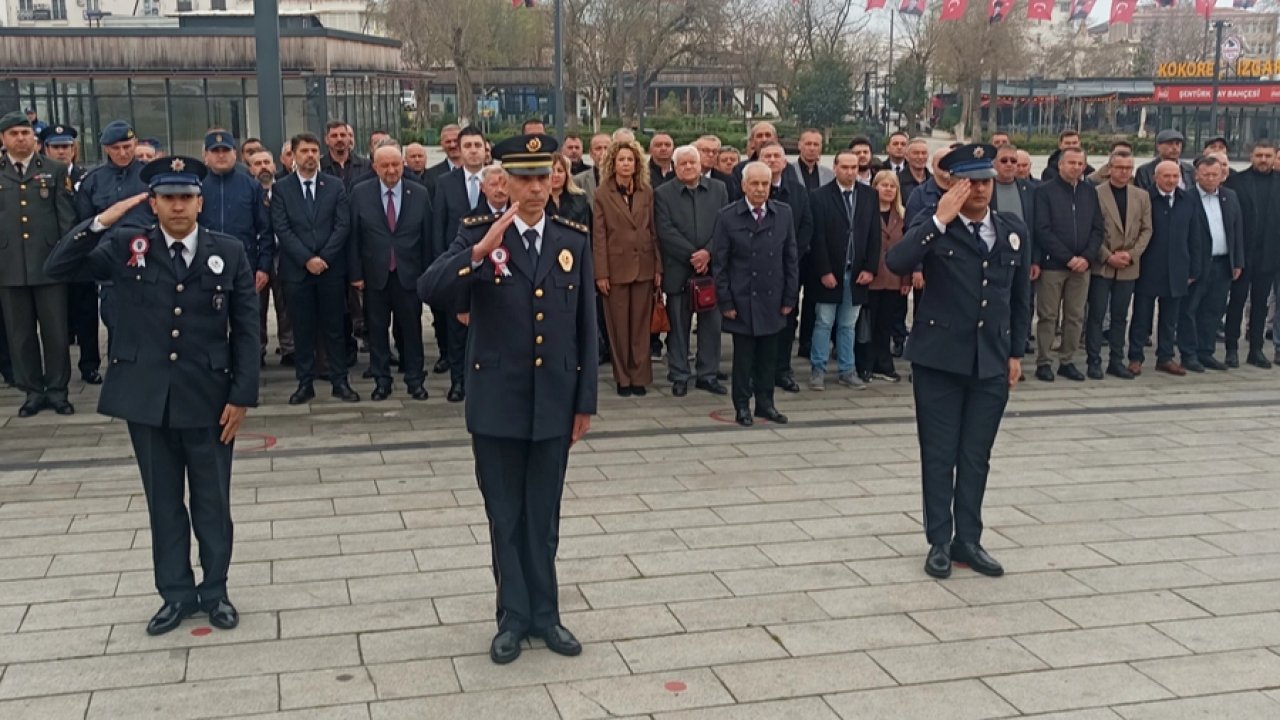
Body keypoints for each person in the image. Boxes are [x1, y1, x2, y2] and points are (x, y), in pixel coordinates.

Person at [45, 156, 259, 636]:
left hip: (209, 397)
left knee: (212, 502)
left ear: (200, 203)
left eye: (186, 197)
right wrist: (103, 220)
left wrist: (242, 395)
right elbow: (59, 266)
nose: (178, 206)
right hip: (148, 399)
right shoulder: (126, 246)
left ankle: (216, 589)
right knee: (163, 503)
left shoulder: (230, 250)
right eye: (168, 198)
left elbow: (245, 328)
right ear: (154, 203)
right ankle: (176, 594)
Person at [417, 132, 596, 666]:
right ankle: (512, 616)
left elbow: (587, 327)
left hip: (554, 402)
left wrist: (584, 400)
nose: (535, 188)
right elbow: (430, 288)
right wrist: (478, 251)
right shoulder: (476, 233)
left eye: (544, 177)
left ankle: (547, 613)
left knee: (544, 515)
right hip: (497, 401)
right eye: (524, 179)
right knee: (505, 515)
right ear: (504, 181)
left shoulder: (573, 238)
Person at [885, 144, 1031, 580]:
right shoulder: (935, 228)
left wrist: (1016, 353)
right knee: (939, 454)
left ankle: (968, 538)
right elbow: (897, 260)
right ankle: (939, 541)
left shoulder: (1011, 230)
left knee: (975, 455)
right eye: (972, 182)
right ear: (953, 183)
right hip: (940, 360)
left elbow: (1020, 299)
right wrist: (937, 218)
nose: (982, 190)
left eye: (986, 181)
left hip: (990, 361)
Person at [0, 110, 77, 417]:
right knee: (19, 334)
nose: (21, 138)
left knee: (56, 331)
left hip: (48, 265)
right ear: (3, 140)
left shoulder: (55, 170)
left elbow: (66, 219)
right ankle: (32, 390)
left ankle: (58, 391)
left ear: (34, 137)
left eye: (25, 132)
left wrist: (64, 259)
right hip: (8, 266)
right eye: (14, 133)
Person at [271, 132, 358, 404]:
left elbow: (342, 225)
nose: (310, 156)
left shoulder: (333, 186)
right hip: (297, 272)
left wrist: (324, 258)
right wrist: (307, 259)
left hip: (330, 270)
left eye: (313, 151)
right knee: (303, 329)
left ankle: (339, 381)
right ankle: (304, 383)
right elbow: (282, 228)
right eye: (304, 151)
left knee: (335, 327)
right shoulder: (282, 188)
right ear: (293, 156)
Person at [713, 162, 799, 426]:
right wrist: (725, 301)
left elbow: (791, 259)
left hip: (772, 299)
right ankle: (742, 406)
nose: (761, 189)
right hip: (742, 300)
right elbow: (720, 264)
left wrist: (789, 299)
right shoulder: (728, 216)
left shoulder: (783, 213)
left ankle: (766, 404)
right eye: (755, 184)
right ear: (744, 186)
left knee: (768, 357)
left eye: (765, 183)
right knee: (744, 358)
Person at [348, 144, 432, 401]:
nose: (391, 170)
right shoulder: (360, 193)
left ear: (403, 165)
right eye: (384, 165)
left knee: (412, 330)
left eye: (396, 164)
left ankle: (415, 379)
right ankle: (381, 380)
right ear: (374, 167)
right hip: (374, 275)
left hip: (410, 275)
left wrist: (428, 276)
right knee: (376, 330)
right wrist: (356, 274)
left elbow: (428, 237)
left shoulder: (418, 192)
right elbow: (354, 237)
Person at [654, 145, 729, 397]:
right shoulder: (663, 194)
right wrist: (692, 256)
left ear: (700, 165)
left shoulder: (719, 190)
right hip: (679, 270)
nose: (688, 167)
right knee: (678, 326)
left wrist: (708, 252)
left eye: (692, 163)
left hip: (710, 270)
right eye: (683, 163)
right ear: (675, 167)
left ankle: (707, 374)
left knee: (711, 325)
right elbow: (665, 230)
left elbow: (724, 225)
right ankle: (679, 374)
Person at [76, 120, 154, 356]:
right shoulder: (93, 181)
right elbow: (85, 224)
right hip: (112, 269)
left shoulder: (150, 176)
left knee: (153, 327)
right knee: (117, 327)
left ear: (135, 143)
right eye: (116, 148)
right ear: (106, 149)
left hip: (151, 264)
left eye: (127, 146)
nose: (123, 152)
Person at [198, 130, 273, 364]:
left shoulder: (251, 187)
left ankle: (247, 368)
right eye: (215, 151)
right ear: (206, 156)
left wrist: (264, 267)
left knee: (245, 323)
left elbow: (266, 230)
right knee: (208, 323)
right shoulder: (197, 186)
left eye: (226, 151)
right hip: (204, 267)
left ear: (235, 155)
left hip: (244, 267)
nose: (221, 156)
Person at [593, 137, 660, 396]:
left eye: (630, 160)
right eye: (621, 159)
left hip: (643, 265)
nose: (625, 164)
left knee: (640, 327)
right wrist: (601, 273)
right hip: (616, 269)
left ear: (636, 164)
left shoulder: (646, 191)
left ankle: (639, 376)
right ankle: (623, 378)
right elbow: (598, 236)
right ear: (612, 163)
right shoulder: (602, 194)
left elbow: (653, 231)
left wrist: (658, 268)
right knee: (619, 327)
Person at [807, 149, 879, 390]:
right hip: (830, 271)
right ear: (835, 168)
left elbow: (873, 235)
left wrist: (870, 268)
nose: (850, 172)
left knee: (849, 324)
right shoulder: (819, 196)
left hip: (857, 271)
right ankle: (818, 368)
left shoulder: (869, 195)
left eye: (854, 168)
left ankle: (847, 369)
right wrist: (824, 271)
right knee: (824, 321)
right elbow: (817, 238)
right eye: (845, 167)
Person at [1033, 147, 1103, 382]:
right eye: (1070, 163)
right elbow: (1042, 230)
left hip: (1083, 266)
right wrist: (1068, 258)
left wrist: (1086, 257)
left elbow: (1097, 228)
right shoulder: (1044, 192)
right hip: (1054, 265)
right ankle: (1044, 361)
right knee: (1048, 315)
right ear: (1060, 165)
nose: (1075, 167)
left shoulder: (1090, 192)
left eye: (1080, 164)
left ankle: (1067, 360)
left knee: (1075, 316)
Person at [1129, 161, 1205, 377]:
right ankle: (1135, 357)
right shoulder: (1145, 199)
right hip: (1149, 267)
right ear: (1156, 177)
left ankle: (1165, 357)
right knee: (1141, 316)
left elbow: (1195, 236)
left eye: (1175, 176)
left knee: (1170, 317)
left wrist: (1194, 268)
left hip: (1178, 268)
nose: (1171, 180)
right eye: (1166, 176)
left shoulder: (1187, 200)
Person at [432, 126, 489, 401]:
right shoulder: (445, 183)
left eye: (477, 144)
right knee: (457, 328)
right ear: (459, 149)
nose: (473, 150)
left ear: (486, 148)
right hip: (458, 267)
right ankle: (458, 381)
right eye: (467, 146)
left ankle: (487, 382)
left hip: (493, 267)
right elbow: (438, 227)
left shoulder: (499, 179)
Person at [40, 123, 99, 384]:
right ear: (45, 149)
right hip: (52, 257)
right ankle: (56, 370)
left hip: (82, 257)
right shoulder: (38, 178)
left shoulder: (86, 178)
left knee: (87, 315)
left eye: (66, 147)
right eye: (56, 147)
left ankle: (90, 365)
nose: (62, 152)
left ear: (74, 149)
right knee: (55, 318)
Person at [1086, 150, 1151, 380]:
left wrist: (1132, 254)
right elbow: (1091, 229)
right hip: (1102, 263)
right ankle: (1093, 361)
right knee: (1096, 314)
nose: (1125, 172)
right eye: (1120, 167)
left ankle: (1116, 360)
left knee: (1120, 315)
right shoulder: (1095, 193)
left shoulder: (1141, 196)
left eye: (1129, 168)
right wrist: (1106, 255)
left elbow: (1147, 229)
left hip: (1128, 265)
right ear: (1110, 168)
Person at [1178, 155, 1244, 372]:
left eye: (1214, 174)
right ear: (1196, 175)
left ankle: (1206, 352)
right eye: (1205, 174)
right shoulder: (1186, 198)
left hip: (1223, 263)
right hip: (1197, 265)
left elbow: (1236, 232)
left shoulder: (1230, 196)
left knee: (1214, 310)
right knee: (1190, 310)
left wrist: (1237, 262)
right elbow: (1181, 236)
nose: (1210, 179)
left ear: (1222, 175)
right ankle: (1189, 354)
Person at [1223, 140, 1280, 368]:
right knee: (1236, 302)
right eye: (1259, 155)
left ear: (1275, 156)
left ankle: (1256, 350)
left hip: (1270, 255)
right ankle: (1231, 349)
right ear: (1251, 157)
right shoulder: (1236, 181)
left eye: (1268, 155)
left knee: (1260, 304)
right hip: (1242, 255)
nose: (1263, 160)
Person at [860, 170, 911, 382]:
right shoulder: (865, 213)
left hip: (894, 278)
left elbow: (910, 249)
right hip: (871, 278)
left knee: (886, 324)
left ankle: (884, 363)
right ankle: (866, 364)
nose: (889, 189)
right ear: (875, 187)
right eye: (884, 185)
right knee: (868, 325)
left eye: (892, 186)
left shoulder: (903, 215)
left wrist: (906, 279)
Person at [247, 149, 294, 366]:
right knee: (256, 306)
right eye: (257, 163)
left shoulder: (285, 189)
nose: (263, 167)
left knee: (286, 304)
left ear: (275, 166)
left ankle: (289, 348)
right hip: (256, 256)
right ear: (250, 168)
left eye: (267, 162)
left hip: (285, 255)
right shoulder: (248, 191)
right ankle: (257, 350)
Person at [321, 120, 371, 190]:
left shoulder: (366, 165)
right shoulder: (319, 166)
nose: (339, 139)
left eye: (343, 135)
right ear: (326, 140)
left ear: (348, 138)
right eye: (334, 136)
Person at [549, 152, 590, 227]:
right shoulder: (539, 201)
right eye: (551, 171)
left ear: (567, 174)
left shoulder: (580, 199)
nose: (555, 175)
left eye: (560, 171)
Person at [695, 135, 740, 201]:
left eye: (714, 152)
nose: (711, 155)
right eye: (706, 150)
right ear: (695, 152)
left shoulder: (726, 181)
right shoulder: (684, 177)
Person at [573, 132, 611, 207]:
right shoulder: (579, 180)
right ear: (591, 153)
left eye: (607, 148)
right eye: (598, 148)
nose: (603, 152)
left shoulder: (622, 178)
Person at [898, 138, 932, 203]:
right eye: (916, 153)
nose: (920, 157)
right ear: (906, 156)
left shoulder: (934, 181)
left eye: (924, 153)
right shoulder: (898, 181)